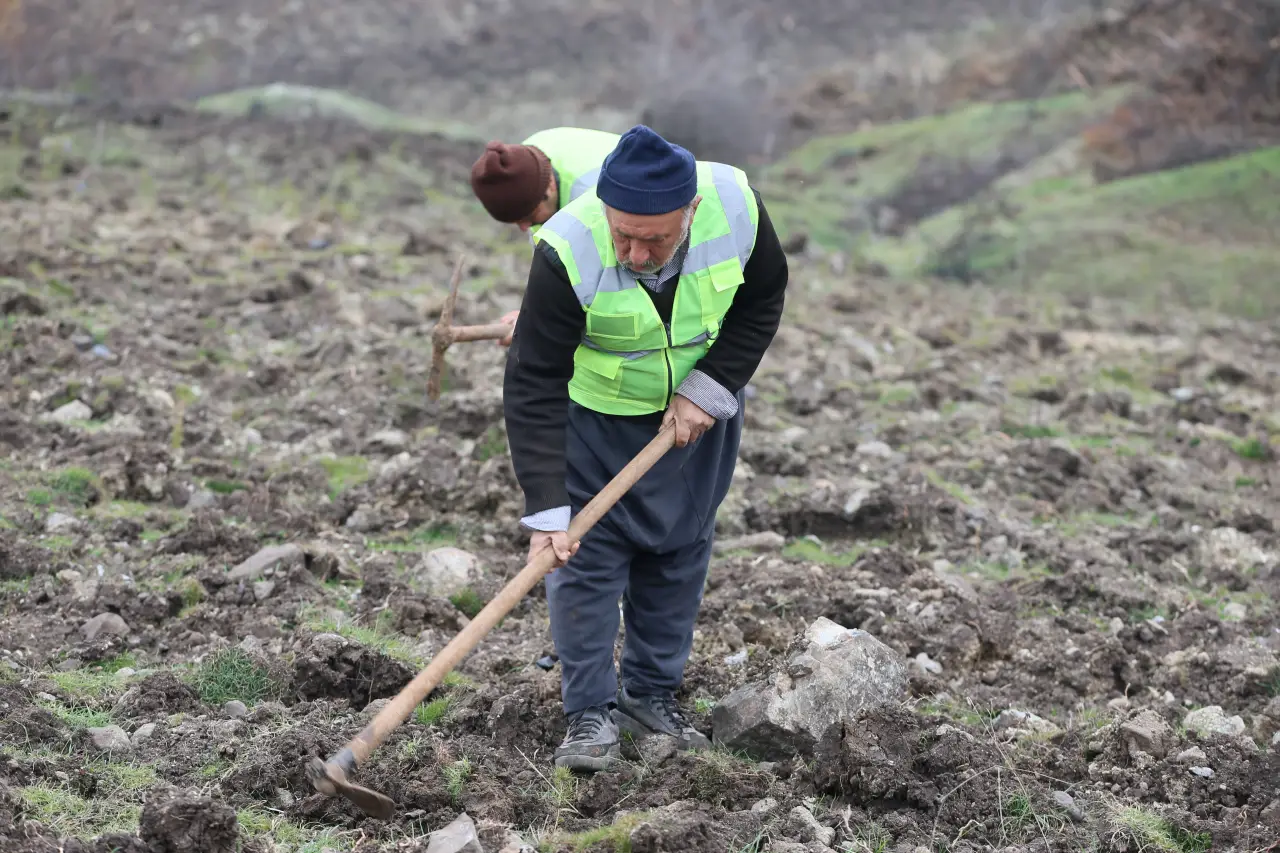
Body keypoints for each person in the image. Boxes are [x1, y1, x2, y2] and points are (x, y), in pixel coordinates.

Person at [501, 124, 789, 772]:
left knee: (680, 549)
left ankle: (650, 695)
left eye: (653, 239)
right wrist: (546, 509)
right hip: (595, 420)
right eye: (621, 233)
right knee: (585, 559)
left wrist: (711, 387)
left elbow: (762, 295)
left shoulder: (735, 205)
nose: (633, 252)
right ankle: (589, 716)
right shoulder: (567, 246)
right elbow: (533, 377)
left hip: (693, 422)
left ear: (688, 212)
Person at [470, 127, 622, 346]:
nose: (524, 228)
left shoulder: (597, 198)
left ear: (549, 187)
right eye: (516, 221)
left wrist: (537, 323)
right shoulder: (525, 166)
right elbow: (552, 264)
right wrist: (531, 313)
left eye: (528, 216)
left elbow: (602, 290)